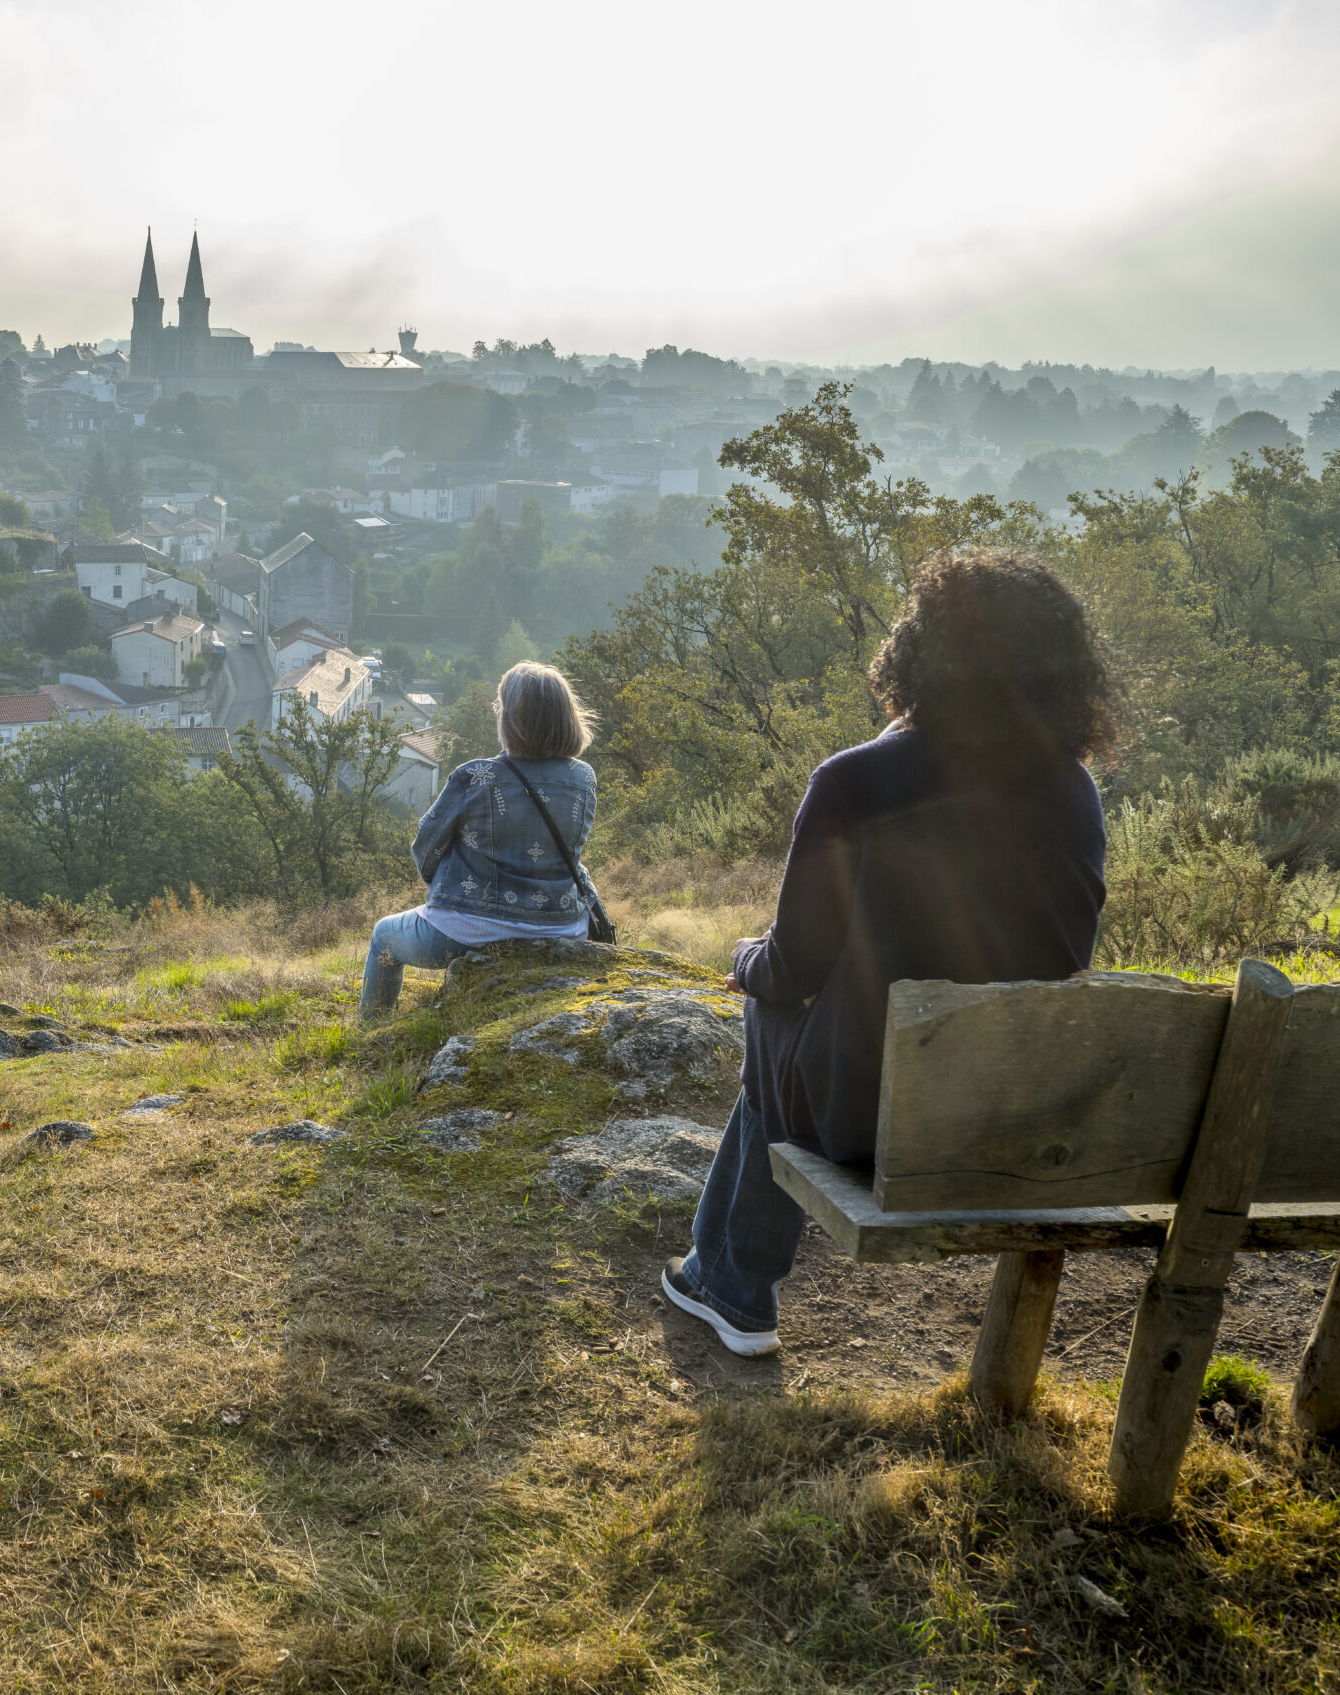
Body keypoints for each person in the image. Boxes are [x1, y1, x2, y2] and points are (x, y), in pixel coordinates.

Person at [663, 549, 1113, 1357]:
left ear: (920, 652)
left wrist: (745, 960)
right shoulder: (1075, 792)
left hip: (880, 1119)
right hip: (1013, 1111)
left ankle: (730, 1283)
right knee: (796, 1035)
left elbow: (794, 966)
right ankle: (719, 1276)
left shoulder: (854, 783)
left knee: (771, 1017)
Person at [361, 660, 601, 1021]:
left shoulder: (476, 775)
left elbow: (425, 849)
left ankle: (373, 1032)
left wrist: (449, 893)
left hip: (465, 931)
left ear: (511, 719)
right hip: (561, 927)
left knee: (383, 936)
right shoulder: (583, 778)